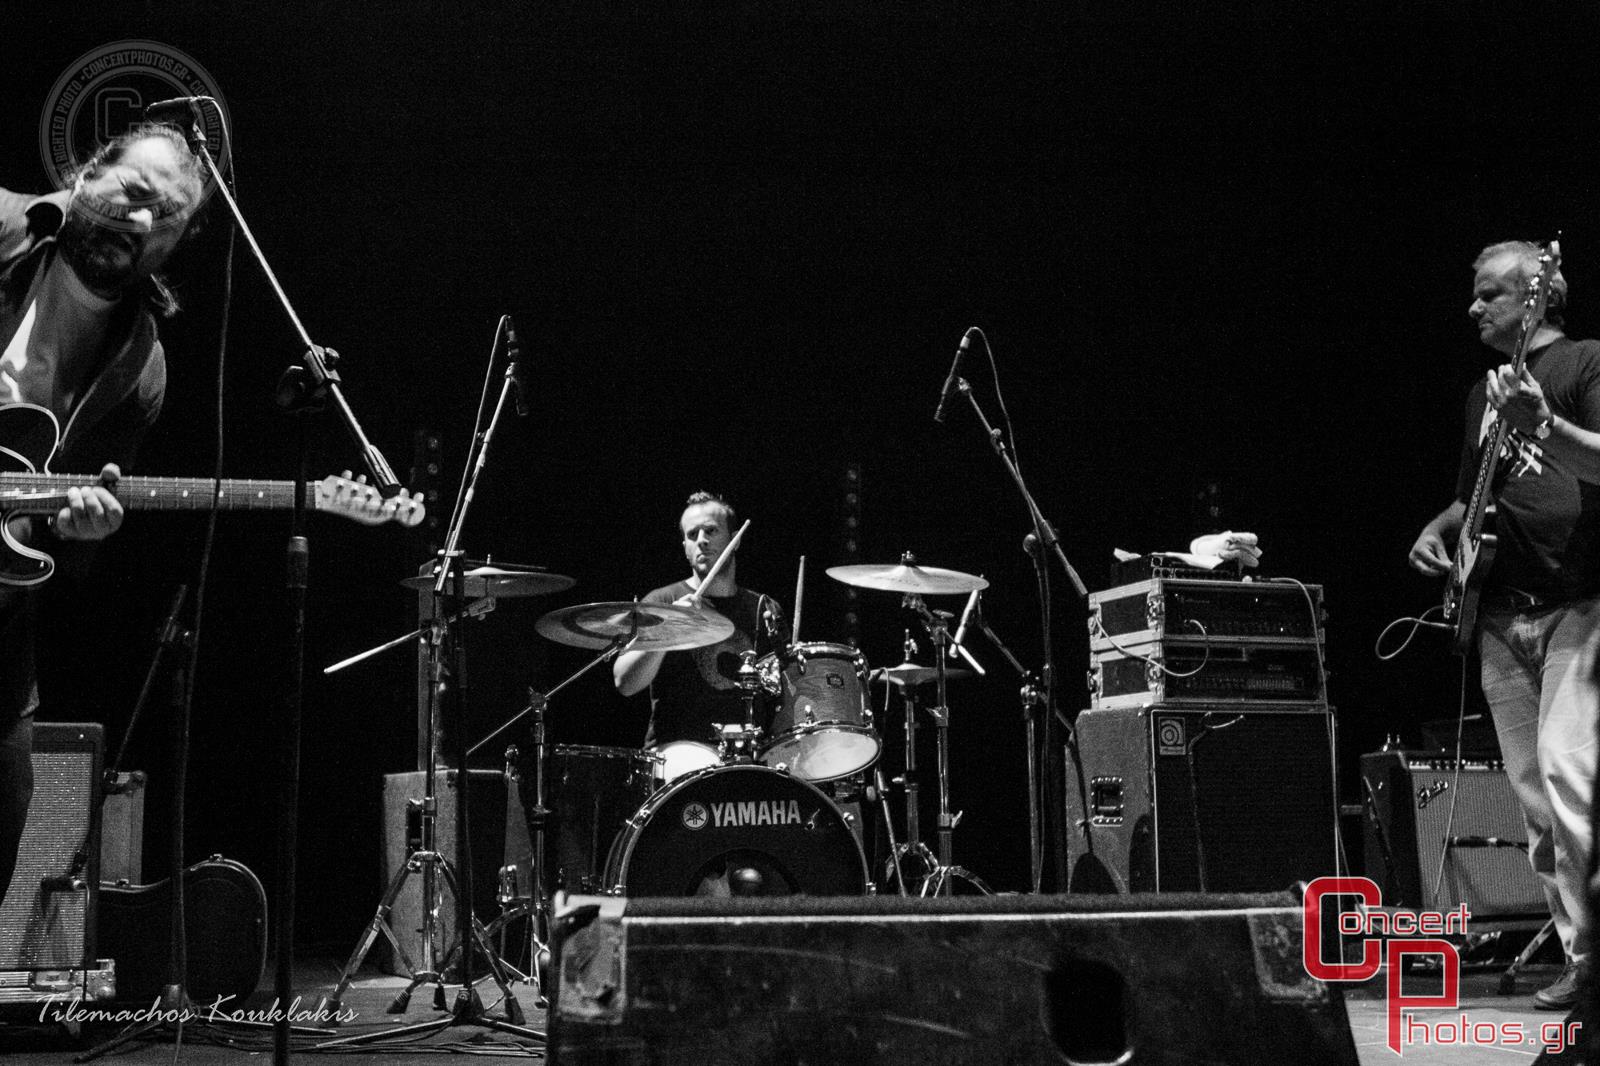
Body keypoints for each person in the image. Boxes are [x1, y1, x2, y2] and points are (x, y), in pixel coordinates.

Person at [0, 123, 204, 902]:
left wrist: (78, 528)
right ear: (91, 172)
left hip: (1, 635)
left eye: (167, 218)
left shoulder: (141, 367)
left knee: (5, 831)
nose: (143, 220)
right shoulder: (7, 226)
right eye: (136, 192)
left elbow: (61, 552)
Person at [1410, 240, 1600, 1010]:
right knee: (1536, 805)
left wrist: (1544, 424)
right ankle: (1583, 958)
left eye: (1490, 293)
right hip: (1498, 614)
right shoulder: (1481, 393)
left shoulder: (1586, 362)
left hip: (1579, 605)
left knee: (1569, 777)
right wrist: (1439, 528)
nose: (1473, 307)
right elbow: (1475, 494)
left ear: (1537, 296)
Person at [613, 491, 785, 777]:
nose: (701, 540)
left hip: (750, 756)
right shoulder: (662, 602)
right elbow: (625, 682)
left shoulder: (763, 608)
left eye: (711, 531)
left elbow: (785, 694)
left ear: (735, 539)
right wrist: (670, 626)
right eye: (692, 534)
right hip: (676, 756)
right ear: (685, 547)